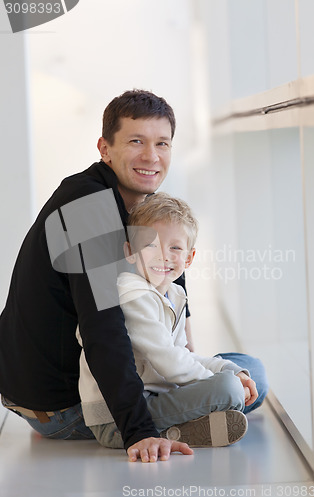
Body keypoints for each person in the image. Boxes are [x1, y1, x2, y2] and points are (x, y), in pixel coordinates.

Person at [0, 89, 268, 463]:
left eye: (162, 143)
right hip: (60, 405)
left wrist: (188, 366)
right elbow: (102, 326)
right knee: (231, 386)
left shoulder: (140, 204)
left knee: (251, 371)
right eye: (136, 142)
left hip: (106, 376)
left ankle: (193, 407)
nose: (151, 157)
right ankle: (158, 423)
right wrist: (138, 432)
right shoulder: (86, 208)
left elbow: (175, 285)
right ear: (104, 148)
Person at [77, 192, 259, 449]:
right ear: (130, 252)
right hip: (117, 420)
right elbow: (171, 363)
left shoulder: (175, 293)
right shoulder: (132, 294)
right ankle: (176, 431)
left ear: (189, 258)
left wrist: (230, 371)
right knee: (229, 388)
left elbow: (182, 355)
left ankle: (211, 407)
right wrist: (223, 381)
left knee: (251, 377)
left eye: (174, 247)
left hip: (158, 396)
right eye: (150, 245)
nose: (163, 255)